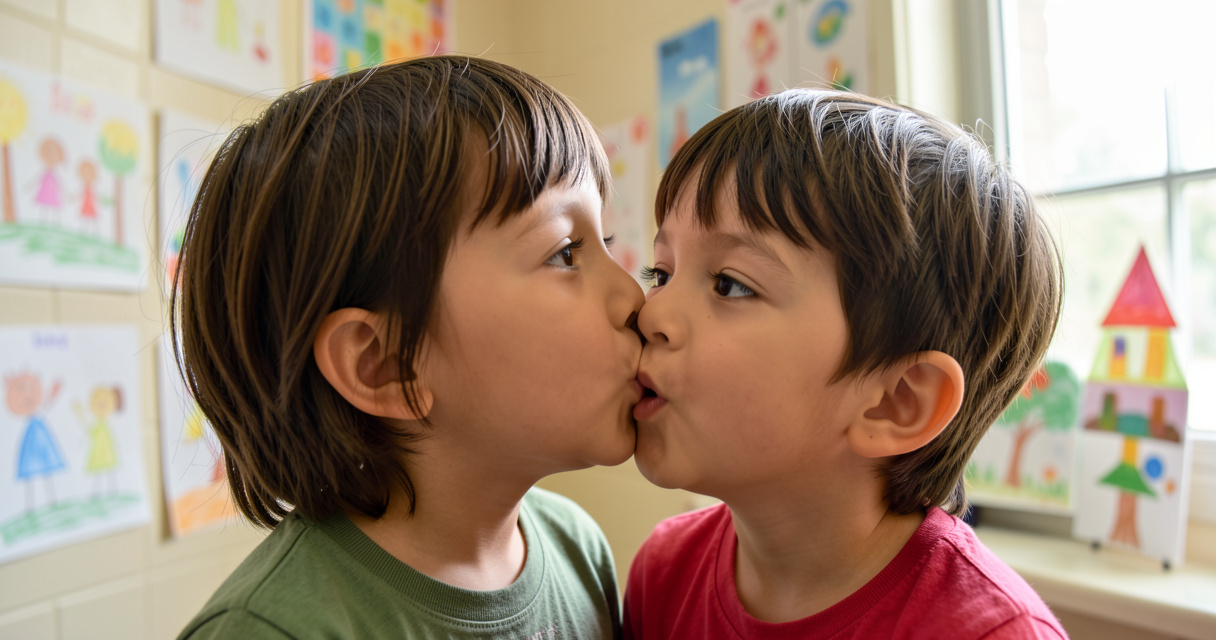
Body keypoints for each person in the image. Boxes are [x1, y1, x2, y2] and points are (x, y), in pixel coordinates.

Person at [173, 55, 644, 639]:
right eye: (564, 252)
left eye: (609, 240)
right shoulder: (270, 630)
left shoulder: (579, 548)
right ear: (385, 365)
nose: (632, 295)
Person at [624, 89, 1067, 639]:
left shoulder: (991, 633)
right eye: (660, 273)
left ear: (896, 402)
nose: (652, 312)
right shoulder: (663, 573)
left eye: (730, 285)